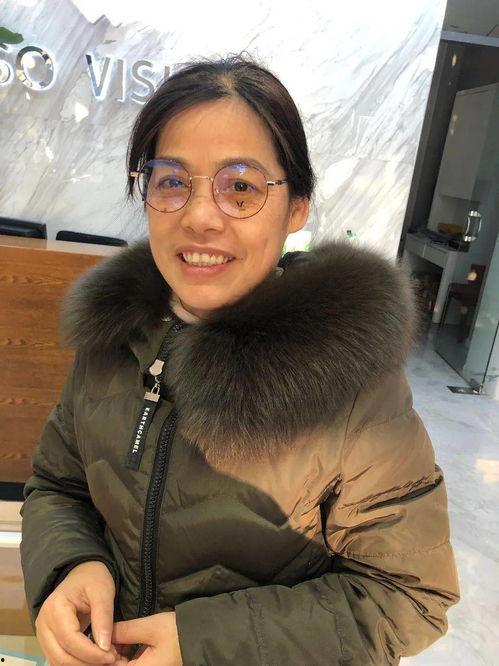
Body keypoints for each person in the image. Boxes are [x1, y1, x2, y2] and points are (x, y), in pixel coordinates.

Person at [20, 55, 460, 666]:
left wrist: (201, 643)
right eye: (171, 181)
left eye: (241, 187)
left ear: (297, 207)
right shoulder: (114, 338)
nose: (200, 217)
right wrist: (70, 564)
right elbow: (58, 485)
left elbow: (409, 596)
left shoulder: (352, 383)